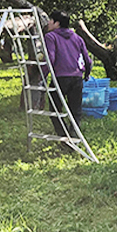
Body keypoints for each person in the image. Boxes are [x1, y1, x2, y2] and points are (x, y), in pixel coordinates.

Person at [44, 10, 92, 139]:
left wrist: (43, 75)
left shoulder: (51, 37)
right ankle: (74, 135)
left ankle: (64, 136)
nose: (48, 22)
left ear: (57, 23)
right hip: (77, 77)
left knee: (55, 110)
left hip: (60, 78)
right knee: (75, 110)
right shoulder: (77, 38)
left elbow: (50, 58)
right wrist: (86, 74)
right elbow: (87, 59)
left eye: (50, 20)